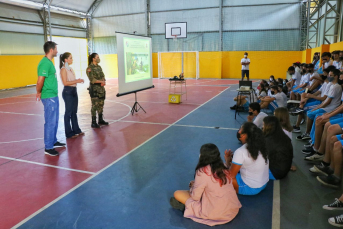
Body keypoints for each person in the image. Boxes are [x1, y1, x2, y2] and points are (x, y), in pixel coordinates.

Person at [170, 143, 241, 226]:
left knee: (177, 193)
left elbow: (195, 197)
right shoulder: (224, 167)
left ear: (202, 156)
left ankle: (187, 208)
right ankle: (188, 206)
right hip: (232, 209)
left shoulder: (202, 171)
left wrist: (193, 187)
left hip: (215, 212)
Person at [36, 41, 66, 156]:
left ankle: (53, 141)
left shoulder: (49, 62)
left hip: (53, 96)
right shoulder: (45, 63)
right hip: (49, 97)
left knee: (55, 120)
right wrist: (38, 92)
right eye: (56, 49)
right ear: (51, 50)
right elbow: (40, 80)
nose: (57, 51)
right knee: (50, 122)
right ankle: (48, 147)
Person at [225, 122, 269, 195]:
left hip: (250, 187)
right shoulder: (262, 145)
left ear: (244, 135)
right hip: (263, 183)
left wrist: (227, 161)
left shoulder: (240, 152)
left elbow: (231, 175)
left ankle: (234, 190)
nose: (238, 131)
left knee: (221, 175)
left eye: (240, 129)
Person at [59, 52, 85, 139]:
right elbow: (65, 83)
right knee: (68, 112)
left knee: (74, 111)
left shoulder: (70, 69)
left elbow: (71, 80)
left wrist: (76, 80)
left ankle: (76, 130)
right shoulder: (63, 70)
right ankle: (68, 133)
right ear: (65, 60)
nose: (72, 59)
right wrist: (76, 81)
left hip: (74, 90)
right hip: (68, 91)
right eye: (70, 58)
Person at [86, 53, 109, 128]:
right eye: (97, 57)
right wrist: (101, 82)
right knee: (95, 106)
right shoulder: (89, 68)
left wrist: (103, 81)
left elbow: (103, 76)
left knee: (101, 105)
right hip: (95, 89)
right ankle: (93, 122)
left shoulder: (99, 67)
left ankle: (100, 119)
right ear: (93, 58)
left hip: (101, 89)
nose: (98, 58)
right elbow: (92, 79)